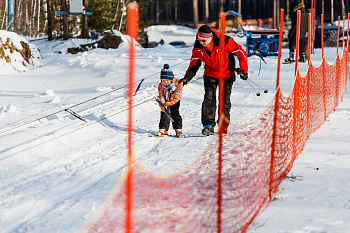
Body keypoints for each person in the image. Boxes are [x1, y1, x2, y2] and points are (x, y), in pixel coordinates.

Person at [180, 25, 248, 136]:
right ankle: (208, 125)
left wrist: (244, 70)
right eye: (199, 39)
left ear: (210, 37)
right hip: (210, 74)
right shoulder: (198, 47)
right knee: (209, 98)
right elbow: (194, 64)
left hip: (226, 74)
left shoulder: (225, 41)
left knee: (224, 101)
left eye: (203, 40)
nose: (201, 42)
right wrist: (186, 78)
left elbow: (241, 53)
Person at [156, 64, 183, 137]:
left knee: (175, 113)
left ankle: (178, 129)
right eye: (163, 80)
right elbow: (161, 94)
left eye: (167, 80)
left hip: (174, 101)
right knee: (164, 113)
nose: (166, 82)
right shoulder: (161, 85)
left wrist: (172, 102)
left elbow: (177, 94)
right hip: (165, 100)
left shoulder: (177, 83)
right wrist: (162, 103)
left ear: (171, 79)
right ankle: (163, 128)